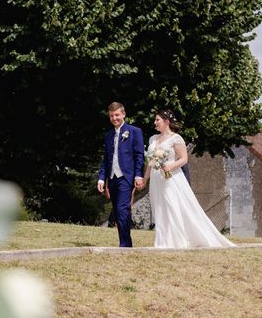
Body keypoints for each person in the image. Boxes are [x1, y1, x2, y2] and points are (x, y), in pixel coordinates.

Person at [140, 109, 235, 248]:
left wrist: (171, 166)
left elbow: (184, 159)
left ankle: (177, 241)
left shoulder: (176, 139)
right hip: (156, 179)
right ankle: (162, 240)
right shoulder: (153, 139)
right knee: (160, 207)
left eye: (157, 120)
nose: (154, 122)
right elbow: (151, 162)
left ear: (166, 121)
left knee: (172, 205)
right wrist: (145, 178)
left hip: (171, 178)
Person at [97, 102, 145, 247]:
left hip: (126, 177)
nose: (114, 118)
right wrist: (101, 178)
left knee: (122, 208)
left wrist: (138, 175)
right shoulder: (108, 135)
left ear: (123, 114)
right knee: (117, 212)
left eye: (117, 115)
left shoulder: (134, 131)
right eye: (111, 115)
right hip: (112, 178)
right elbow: (106, 159)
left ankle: (124, 245)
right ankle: (126, 243)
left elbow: (139, 156)